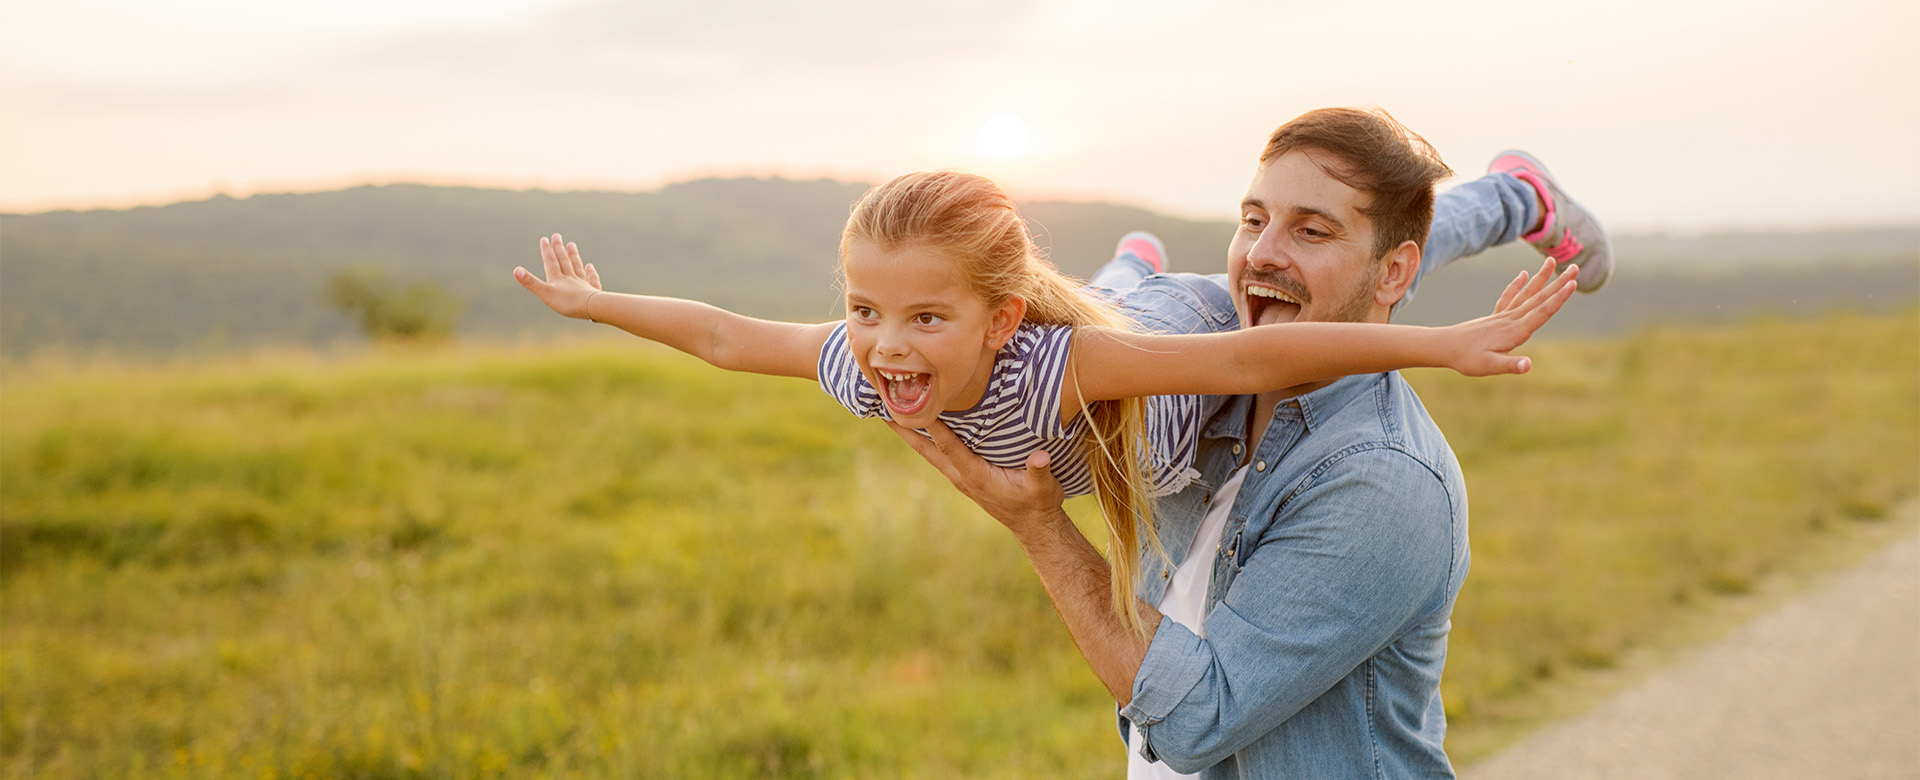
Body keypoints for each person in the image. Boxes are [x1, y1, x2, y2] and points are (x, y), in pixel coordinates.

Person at [513, 168, 1577, 638]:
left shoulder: (1057, 368)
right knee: (1108, 299)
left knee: (1333, 274)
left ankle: (1511, 195)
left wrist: (1440, 344)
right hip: (1095, 321)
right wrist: (596, 304)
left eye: (924, 319)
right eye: (865, 310)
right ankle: (1122, 264)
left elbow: (1255, 365)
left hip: (1175, 326)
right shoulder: (862, 362)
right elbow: (722, 335)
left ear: (996, 323)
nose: (886, 345)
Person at [886, 107, 1612, 778]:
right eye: (1251, 218)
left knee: (1327, 296)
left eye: (1309, 228)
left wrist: (1040, 526)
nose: (1259, 253)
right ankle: (1127, 277)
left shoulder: (1382, 480)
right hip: (1292, 300)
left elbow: (1199, 720)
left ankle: (1516, 197)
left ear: (1400, 270)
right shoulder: (1217, 334)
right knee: (1219, 311)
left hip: (1362, 304)